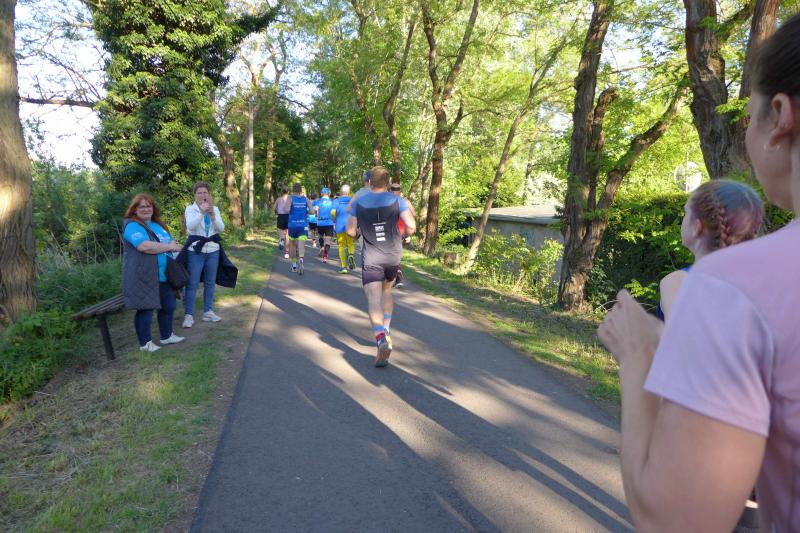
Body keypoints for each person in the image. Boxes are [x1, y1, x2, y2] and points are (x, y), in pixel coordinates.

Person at [598, 14, 800, 532]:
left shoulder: (731, 288)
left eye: (749, 116)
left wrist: (638, 354)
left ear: (780, 115)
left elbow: (674, 521)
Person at [656, 179, 763, 321]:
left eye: (685, 213)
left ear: (696, 227)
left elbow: (683, 334)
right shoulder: (763, 284)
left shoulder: (678, 282)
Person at [347, 166, 416, 367]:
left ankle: (380, 339)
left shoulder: (359, 202)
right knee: (387, 291)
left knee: (373, 298)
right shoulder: (397, 200)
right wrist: (401, 236)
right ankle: (386, 329)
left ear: (370, 182)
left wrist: (360, 232)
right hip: (393, 256)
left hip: (372, 257)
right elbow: (411, 227)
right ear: (387, 183)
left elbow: (350, 231)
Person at [122, 193, 185, 352]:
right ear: (135, 209)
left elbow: (171, 242)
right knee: (146, 308)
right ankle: (145, 344)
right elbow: (144, 246)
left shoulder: (158, 225)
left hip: (164, 274)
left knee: (168, 306)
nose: (146, 209)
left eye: (148, 206)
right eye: (141, 206)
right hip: (144, 276)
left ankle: (167, 336)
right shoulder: (132, 225)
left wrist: (175, 246)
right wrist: (169, 247)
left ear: (153, 208)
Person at [182, 182, 225, 328]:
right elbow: (190, 227)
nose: (202, 195)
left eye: (205, 192)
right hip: (195, 251)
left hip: (213, 250)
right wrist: (201, 212)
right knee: (192, 283)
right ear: (195, 195)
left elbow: (221, 228)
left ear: (209, 194)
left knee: (210, 282)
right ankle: (189, 315)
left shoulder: (215, 209)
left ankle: (208, 312)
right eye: (199, 193)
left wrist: (212, 216)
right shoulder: (190, 209)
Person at [389, 182, 416, 288]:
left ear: (390, 191)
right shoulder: (406, 202)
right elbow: (413, 215)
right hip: (402, 232)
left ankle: (395, 277)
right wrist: (408, 233)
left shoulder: (387, 201)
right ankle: (397, 277)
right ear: (400, 191)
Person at [286, 183, 311, 275]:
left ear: (293, 190)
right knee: (301, 245)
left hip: (292, 225)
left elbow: (287, 210)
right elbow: (312, 211)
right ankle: (301, 259)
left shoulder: (290, 198)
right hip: (303, 225)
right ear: (301, 190)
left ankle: (294, 265)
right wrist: (306, 211)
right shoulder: (306, 199)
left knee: (292, 245)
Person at [332, 184, 356, 274]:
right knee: (350, 243)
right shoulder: (352, 200)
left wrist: (335, 219)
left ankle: (343, 267)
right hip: (350, 225)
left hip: (339, 225)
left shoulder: (336, 201)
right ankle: (351, 255)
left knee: (341, 246)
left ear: (341, 192)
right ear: (348, 192)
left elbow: (333, 212)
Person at [314, 187, 335, 263]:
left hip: (320, 222)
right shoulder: (332, 202)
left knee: (320, 237)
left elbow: (315, 210)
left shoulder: (318, 201)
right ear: (329, 193)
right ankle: (325, 256)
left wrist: (316, 215)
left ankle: (322, 247)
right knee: (328, 241)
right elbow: (334, 212)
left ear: (322, 193)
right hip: (329, 222)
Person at [273, 185, 291, 259]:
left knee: (281, 235)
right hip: (288, 217)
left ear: (282, 192)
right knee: (287, 236)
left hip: (280, 217)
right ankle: (286, 253)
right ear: (288, 191)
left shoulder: (278, 199)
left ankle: (281, 240)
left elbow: (274, 208)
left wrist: (277, 211)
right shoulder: (290, 199)